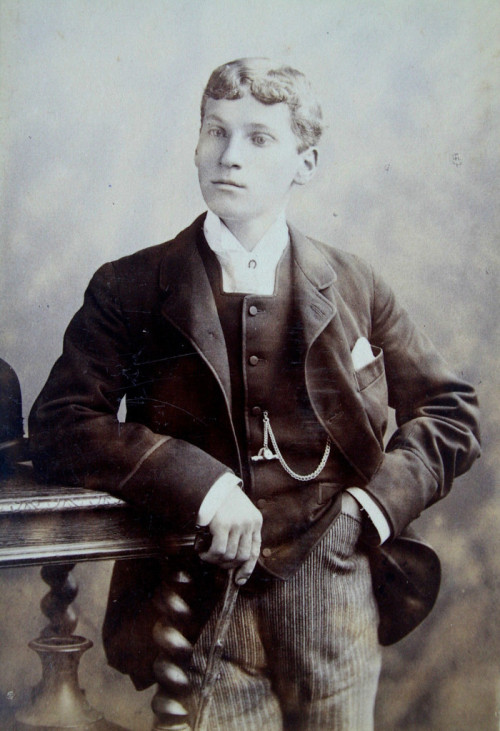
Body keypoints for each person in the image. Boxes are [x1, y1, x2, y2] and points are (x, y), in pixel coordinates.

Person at [28, 58, 481, 730]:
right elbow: (62, 421)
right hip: (198, 585)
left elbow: (453, 413)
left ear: (306, 161)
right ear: (196, 144)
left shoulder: (356, 284)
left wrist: (373, 505)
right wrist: (204, 487)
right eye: (215, 132)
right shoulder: (130, 285)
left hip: (336, 581)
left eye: (258, 138)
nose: (229, 155)